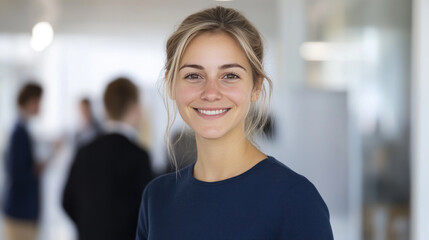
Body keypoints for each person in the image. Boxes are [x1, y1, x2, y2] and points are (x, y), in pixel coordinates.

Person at [136, 6, 334, 240]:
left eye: (230, 76)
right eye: (193, 75)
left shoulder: (295, 199)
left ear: (256, 86)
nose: (211, 93)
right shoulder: (157, 198)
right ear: (171, 84)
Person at [63, 77, 153, 240]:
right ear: (134, 107)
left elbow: (67, 200)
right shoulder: (138, 156)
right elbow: (147, 210)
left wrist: (89, 226)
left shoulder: (85, 151)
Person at [2, 83, 43, 240]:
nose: (41, 106)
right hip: (20, 212)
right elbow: (18, 173)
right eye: (39, 101)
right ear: (32, 101)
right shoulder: (18, 132)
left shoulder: (22, 129)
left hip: (23, 211)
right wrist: (39, 167)